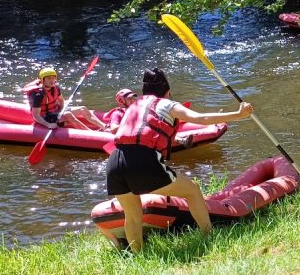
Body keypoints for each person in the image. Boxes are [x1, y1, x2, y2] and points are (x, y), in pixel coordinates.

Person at [102, 67, 254, 252]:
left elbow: (139, 133)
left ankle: (138, 256)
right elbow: (200, 117)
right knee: (192, 190)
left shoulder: (132, 107)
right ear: (167, 92)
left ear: (144, 91)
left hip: (115, 161)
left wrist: (176, 139)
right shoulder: (167, 104)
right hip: (142, 161)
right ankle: (209, 236)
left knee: (132, 215)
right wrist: (238, 114)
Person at [26, 67, 106, 131]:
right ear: (43, 80)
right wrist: (48, 124)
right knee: (68, 115)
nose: (52, 80)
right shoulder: (37, 94)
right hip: (45, 117)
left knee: (83, 109)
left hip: (55, 111)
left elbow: (61, 101)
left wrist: (61, 111)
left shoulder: (56, 88)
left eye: (53, 78)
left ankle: (104, 126)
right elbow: (36, 115)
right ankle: (90, 133)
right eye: (49, 78)